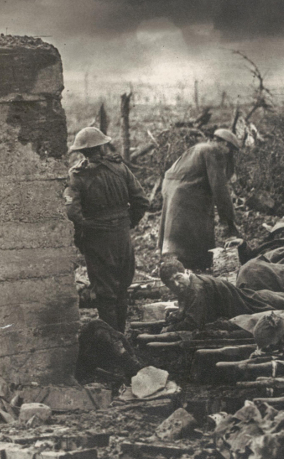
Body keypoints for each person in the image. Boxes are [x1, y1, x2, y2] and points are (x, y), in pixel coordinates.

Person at [63, 126, 151, 331]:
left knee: (105, 293)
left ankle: (113, 343)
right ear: (102, 147)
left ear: (81, 152)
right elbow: (142, 201)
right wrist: (128, 223)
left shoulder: (77, 176)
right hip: (122, 236)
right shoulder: (120, 168)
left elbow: (72, 213)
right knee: (121, 289)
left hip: (98, 240)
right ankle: (121, 336)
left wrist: (85, 233)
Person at [158, 127, 242, 271]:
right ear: (225, 145)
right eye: (231, 151)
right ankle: (195, 265)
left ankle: (181, 261)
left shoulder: (199, 147)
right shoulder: (213, 151)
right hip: (186, 192)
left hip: (172, 188)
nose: (229, 155)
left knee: (179, 227)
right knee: (197, 227)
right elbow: (219, 187)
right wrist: (228, 220)